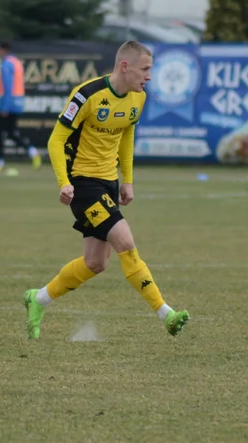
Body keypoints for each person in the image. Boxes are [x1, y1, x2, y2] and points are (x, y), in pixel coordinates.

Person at [21, 41, 190, 339]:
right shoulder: (87, 94)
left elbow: (127, 133)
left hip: (108, 183)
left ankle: (38, 299)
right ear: (125, 66)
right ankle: (167, 314)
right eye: (145, 69)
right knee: (125, 241)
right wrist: (64, 183)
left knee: (96, 262)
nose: (150, 76)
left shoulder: (138, 98)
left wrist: (127, 180)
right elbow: (55, 140)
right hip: (83, 185)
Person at [0, 40, 41, 170]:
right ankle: (32, 151)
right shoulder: (17, 63)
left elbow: (7, 87)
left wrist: (4, 107)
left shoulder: (6, 64)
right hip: (17, 102)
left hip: (8, 103)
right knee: (11, 133)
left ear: (3, 50)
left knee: (0, 133)